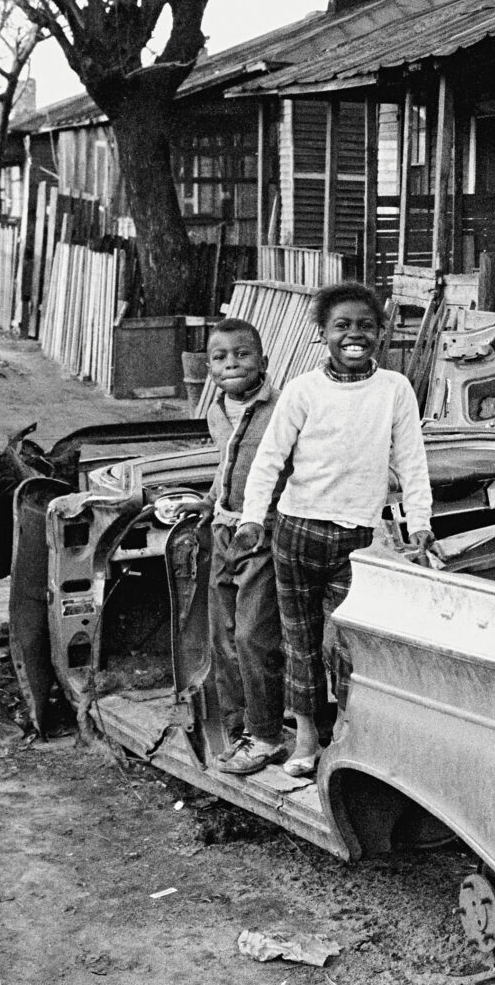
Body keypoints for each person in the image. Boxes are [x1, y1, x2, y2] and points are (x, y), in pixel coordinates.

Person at [235, 281, 434, 777]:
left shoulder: (395, 389)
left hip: (359, 541)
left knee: (345, 645)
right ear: (322, 333)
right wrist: (252, 520)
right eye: (342, 325)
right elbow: (269, 461)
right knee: (298, 640)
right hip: (297, 533)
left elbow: (412, 462)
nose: (354, 334)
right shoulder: (303, 390)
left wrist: (421, 523)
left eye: (366, 325)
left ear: (380, 333)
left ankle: (348, 741)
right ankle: (305, 741)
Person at [197, 317, 288, 775]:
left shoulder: (284, 408)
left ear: (263, 361)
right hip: (224, 530)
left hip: (266, 531)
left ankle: (267, 732)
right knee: (224, 633)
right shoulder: (216, 410)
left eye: (242, 354)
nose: (231, 363)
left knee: (255, 634)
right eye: (220, 357)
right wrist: (209, 501)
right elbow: (225, 465)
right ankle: (238, 727)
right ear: (209, 367)